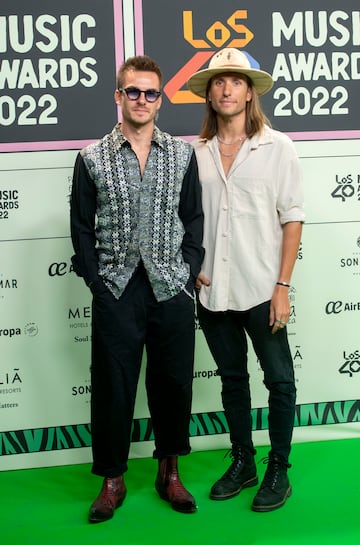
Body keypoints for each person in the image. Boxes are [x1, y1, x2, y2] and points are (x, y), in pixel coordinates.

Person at [70, 54, 204, 523]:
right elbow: (81, 229)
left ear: (160, 98)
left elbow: (194, 220)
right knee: (113, 386)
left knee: (172, 384)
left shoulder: (183, 154)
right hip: (117, 290)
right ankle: (112, 479)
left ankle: (170, 472)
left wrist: (187, 271)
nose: (142, 99)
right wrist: (98, 283)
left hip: (170, 288)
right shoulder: (91, 157)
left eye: (151, 92)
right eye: (133, 91)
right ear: (118, 96)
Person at [187, 48, 305, 512]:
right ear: (210, 95)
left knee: (279, 380)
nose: (226, 88)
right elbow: (186, 219)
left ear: (250, 91)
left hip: (262, 286)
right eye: (218, 81)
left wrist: (282, 286)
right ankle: (243, 460)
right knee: (232, 379)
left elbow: (292, 218)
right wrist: (190, 262)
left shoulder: (279, 147)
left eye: (235, 80)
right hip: (213, 288)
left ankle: (278, 467)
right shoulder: (194, 154)